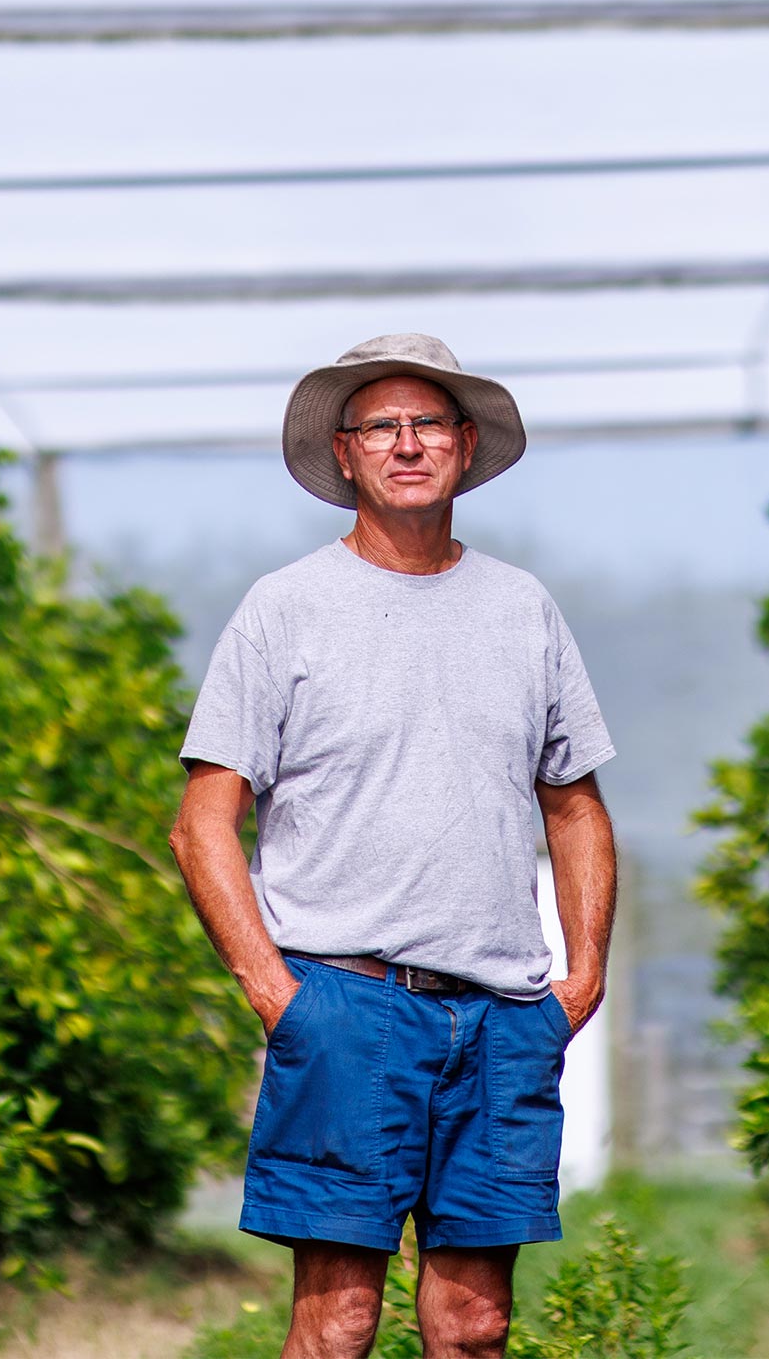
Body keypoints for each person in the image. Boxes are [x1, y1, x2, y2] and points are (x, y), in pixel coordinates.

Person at [167, 332, 617, 1359]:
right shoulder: (285, 609)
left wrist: (582, 974)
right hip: (346, 1002)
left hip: (502, 1014)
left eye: (428, 423)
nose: (407, 444)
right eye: (382, 426)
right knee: (340, 1321)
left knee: (475, 1324)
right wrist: (276, 990)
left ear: (464, 444)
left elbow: (577, 803)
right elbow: (203, 820)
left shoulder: (521, 608)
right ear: (345, 453)